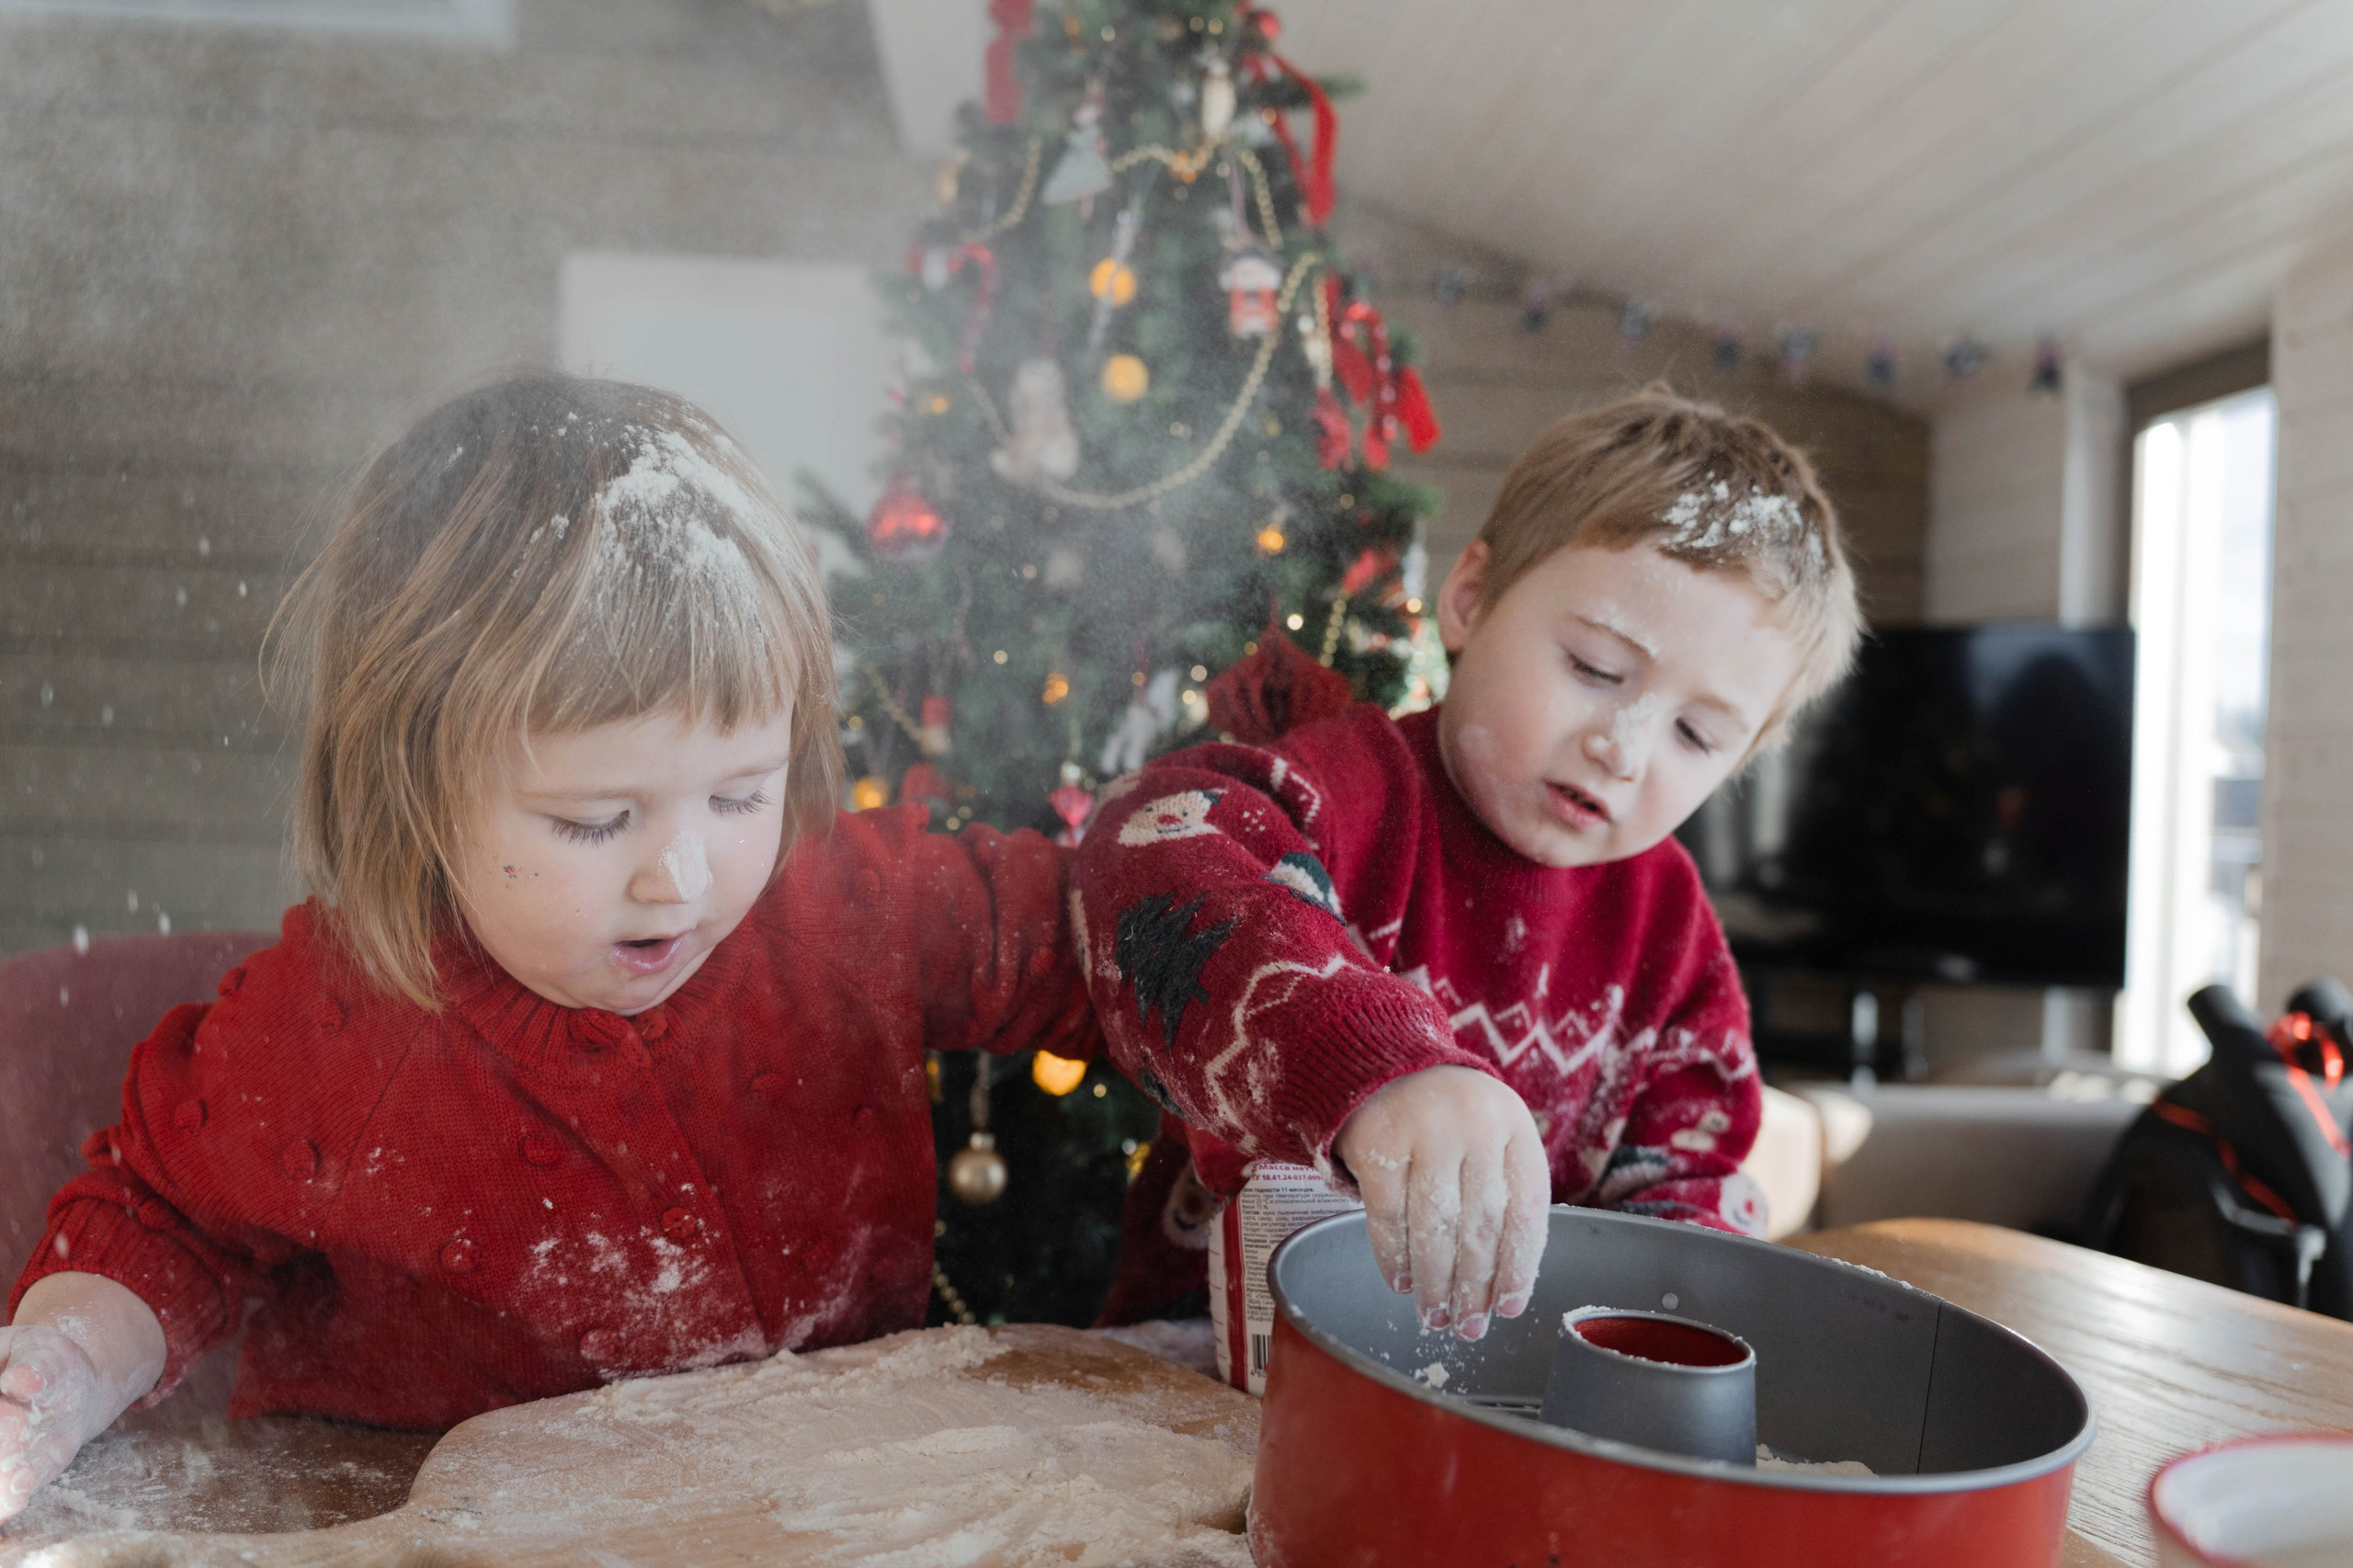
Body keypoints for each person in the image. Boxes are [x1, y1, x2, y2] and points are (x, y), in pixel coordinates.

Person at [0, 374, 1093, 1517]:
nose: (679, 875)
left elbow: (1097, 940)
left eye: (739, 795)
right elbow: (158, 1216)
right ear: (416, 789)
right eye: (594, 820)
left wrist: (1231, 967)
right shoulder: (332, 1023)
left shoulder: (852, 912)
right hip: (414, 1528)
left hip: (813, 1519)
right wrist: (62, 1369)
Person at [1076, 388, 1862, 1343]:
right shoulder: (1350, 794)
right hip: (1217, 1349)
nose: (1623, 745)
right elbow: (1152, 837)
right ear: (1470, 599)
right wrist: (1374, 1066)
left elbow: (1687, 1192)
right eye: (1595, 669)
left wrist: (1656, 1340)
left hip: (1520, 1380)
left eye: (1696, 734)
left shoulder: (1668, 925)